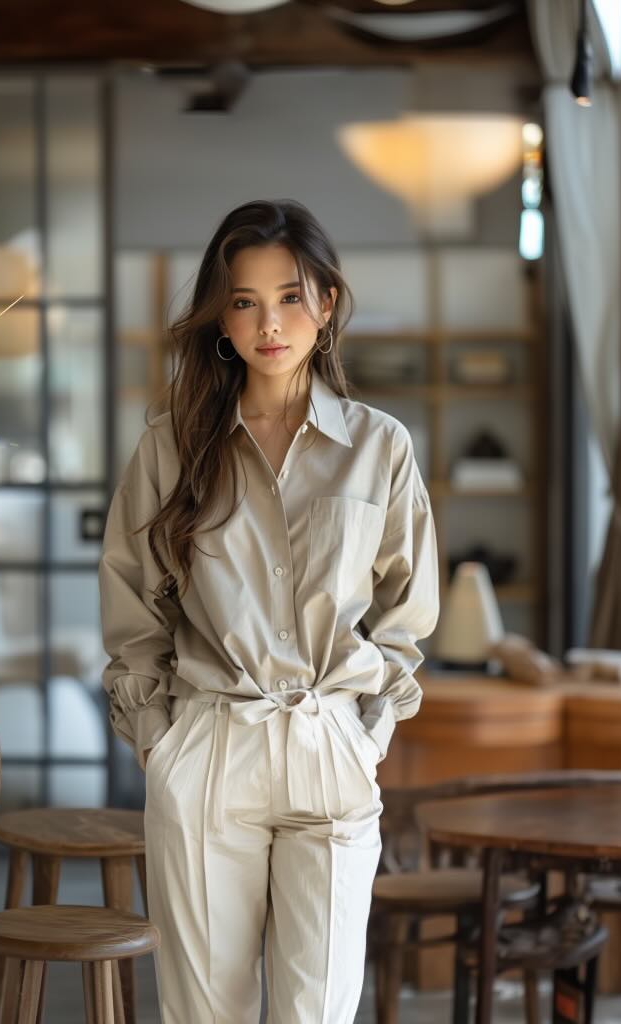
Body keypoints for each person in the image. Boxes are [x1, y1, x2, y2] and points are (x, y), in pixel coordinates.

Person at [99, 198, 440, 1023]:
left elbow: (405, 612)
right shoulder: (171, 445)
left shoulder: (379, 447)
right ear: (221, 315)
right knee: (204, 1010)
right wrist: (161, 741)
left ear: (326, 303)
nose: (269, 322)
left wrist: (368, 733)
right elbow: (134, 604)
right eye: (245, 300)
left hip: (331, 744)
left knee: (316, 1008)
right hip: (211, 744)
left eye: (290, 296)